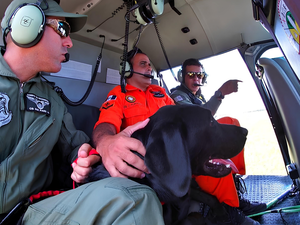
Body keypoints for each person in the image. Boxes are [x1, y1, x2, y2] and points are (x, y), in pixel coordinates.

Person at [0, 1, 164, 224]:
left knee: (136, 199)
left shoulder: (53, 100)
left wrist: (84, 158)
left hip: (30, 212)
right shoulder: (120, 95)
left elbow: (76, 147)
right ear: (26, 24)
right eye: (62, 30)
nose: (69, 42)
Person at [88, 48, 262, 225]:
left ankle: (234, 196)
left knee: (227, 124)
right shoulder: (119, 95)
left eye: (150, 64)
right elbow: (105, 125)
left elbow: (187, 118)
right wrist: (105, 141)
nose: (149, 68)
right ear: (126, 69)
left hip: (181, 152)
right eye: (143, 64)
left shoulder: (161, 93)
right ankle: (228, 210)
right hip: (153, 165)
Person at [170, 58, 266, 221]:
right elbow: (199, 117)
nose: (196, 79)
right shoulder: (177, 96)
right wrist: (220, 93)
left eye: (199, 75)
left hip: (199, 146)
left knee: (232, 123)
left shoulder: (198, 98)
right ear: (182, 77)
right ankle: (229, 208)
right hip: (188, 155)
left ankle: (235, 188)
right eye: (191, 74)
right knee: (228, 123)